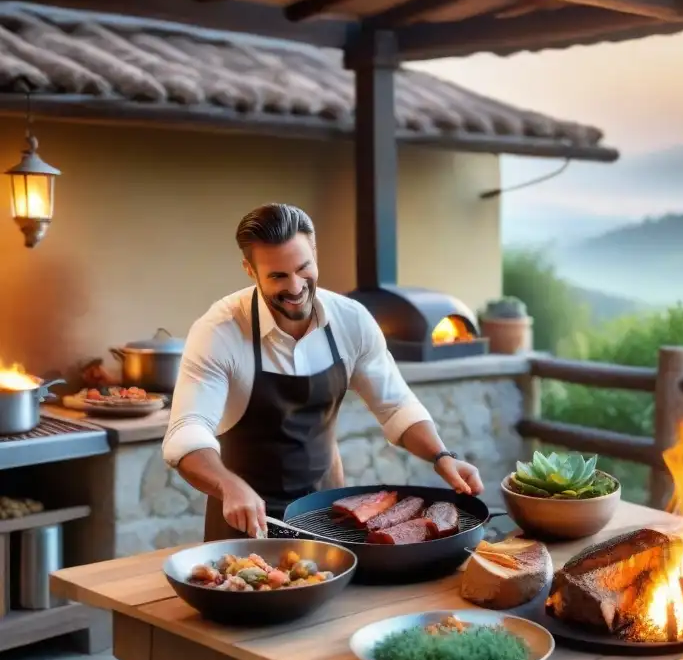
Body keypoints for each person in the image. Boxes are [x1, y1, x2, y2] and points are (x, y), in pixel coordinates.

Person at [162, 203, 484, 541]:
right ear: (249, 270)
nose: (297, 287)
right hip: (243, 522)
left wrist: (442, 456)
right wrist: (228, 486)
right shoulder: (220, 330)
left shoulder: (351, 320)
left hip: (329, 518)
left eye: (304, 269)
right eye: (278, 276)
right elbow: (186, 431)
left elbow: (396, 406)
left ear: (315, 254)